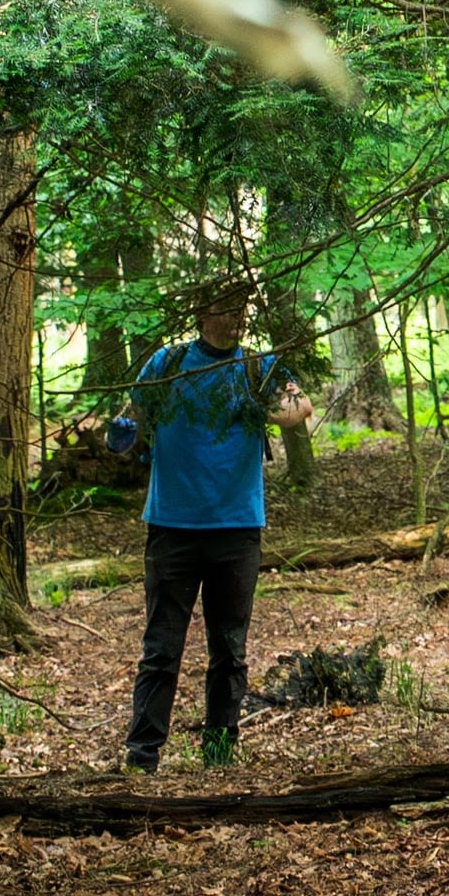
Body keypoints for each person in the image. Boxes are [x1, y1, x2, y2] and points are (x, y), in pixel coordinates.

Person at [106, 281, 313, 771]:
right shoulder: (168, 363)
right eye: (224, 309)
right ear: (202, 313)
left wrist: (270, 406)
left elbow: (300, 407)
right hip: (171, 526)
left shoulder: (256, 368)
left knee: (229, 649)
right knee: (160, 648)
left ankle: (219, 752)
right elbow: (131, 417)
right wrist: (122, 436)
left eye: (241, 309)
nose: (234, 318)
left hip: (236, 529)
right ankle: (143, 755)